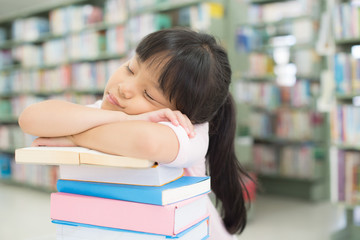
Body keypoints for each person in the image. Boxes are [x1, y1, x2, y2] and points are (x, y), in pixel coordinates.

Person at [18, 27, 252, 239]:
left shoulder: (187, 127)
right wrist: (118, 117)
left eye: (149, 95)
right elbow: (30, 119)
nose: (125, 88)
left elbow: (147, 142)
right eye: (130, 69)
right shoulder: (110, 112)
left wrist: (74, 137)